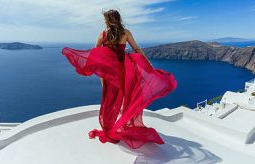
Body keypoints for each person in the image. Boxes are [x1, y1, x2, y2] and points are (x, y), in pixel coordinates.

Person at [61, 9, 177, 149]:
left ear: (108, 20)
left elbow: (95, 55)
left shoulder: (102, 34)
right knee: (127, 98)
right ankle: (124, 124)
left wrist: (98, 73)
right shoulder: (125, 33)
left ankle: (109, 127)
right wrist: (148, 64)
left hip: (109, 72)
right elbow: (137, 49)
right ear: (118, 19)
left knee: (109, 100)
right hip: (124, 70)